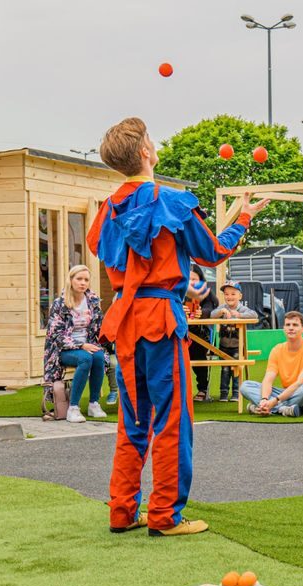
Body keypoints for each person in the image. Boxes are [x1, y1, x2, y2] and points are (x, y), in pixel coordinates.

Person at [88, 116, 269, 536]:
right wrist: (242, 217)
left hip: (127, 322)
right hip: (162, 320)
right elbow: (213, 253)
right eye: (151, 140)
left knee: (133, 421)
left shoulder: (106, 211)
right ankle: (165, 515)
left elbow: (106, 252)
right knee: (172, 420)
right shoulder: (173, 202)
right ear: (147, 153)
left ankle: (121, 511)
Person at [43, 264, 109, 423]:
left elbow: (99, 327)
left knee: (99, 357)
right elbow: (56, 334)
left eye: (86, 280)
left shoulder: (92, 302)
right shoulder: (60, 304)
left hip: (88, 345)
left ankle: (94, 404)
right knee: (85, 359)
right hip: (63, 349)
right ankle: (73, 408)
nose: (83, 283)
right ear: (71, 280)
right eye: (79, 279)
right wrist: (80, 345)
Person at [240, 311, 303, 417]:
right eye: (287, 325)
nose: (291, 328)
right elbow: (268, 379)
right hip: (288, 393)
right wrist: (264, 399)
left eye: (295, 325)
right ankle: (283, 409)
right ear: (284, 328)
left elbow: (300, 383)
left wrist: (274, 401)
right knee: (246, 386)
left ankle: (271, 408)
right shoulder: (277, 349)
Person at [210, 281, 258, 401]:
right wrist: (221, 312)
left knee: (237, 368)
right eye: (226, 294)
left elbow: (254, 315)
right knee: (225, 369)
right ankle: (224, 393)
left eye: (233, 294)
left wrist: (239, 315)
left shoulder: (242, 309)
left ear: (239, 296)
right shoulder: (222, 308)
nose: (229, 297)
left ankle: (236, 393)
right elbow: (212, 315)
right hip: (224, 345)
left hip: (237, 345)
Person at [185, 264, 218, 402]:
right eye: (188, 278)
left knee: (199, 353)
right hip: (179, 332)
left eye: (194, 279)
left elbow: (211, 309)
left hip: (199, 333)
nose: (191, 282)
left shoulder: (206, 293)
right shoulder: (176, 291)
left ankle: (203, 388)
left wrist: (202, 313)